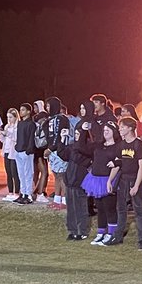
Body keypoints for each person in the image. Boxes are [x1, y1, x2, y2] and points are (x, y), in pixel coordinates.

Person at [105, 117, 142, 249]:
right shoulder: (121, 145)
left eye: (122, 127)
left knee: (138, 211)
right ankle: (118, 237)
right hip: (123, 180)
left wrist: (136, 186)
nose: (120, 129)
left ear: (130, 128)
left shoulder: (139, 145)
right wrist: (109, 180)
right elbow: (117, 164)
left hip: (135, 179)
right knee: (121, 209)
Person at [59, 103, 94, 240]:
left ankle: (82, 231)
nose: (78, 134)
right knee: (71, 208)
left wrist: (84, 134)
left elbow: (82, 156)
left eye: (80, 132)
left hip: (80, 181)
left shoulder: (87, 147)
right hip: (70, 180)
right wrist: (62, 140)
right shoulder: (74, 146)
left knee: (81, 207)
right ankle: (72, 230)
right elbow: (63, 154)